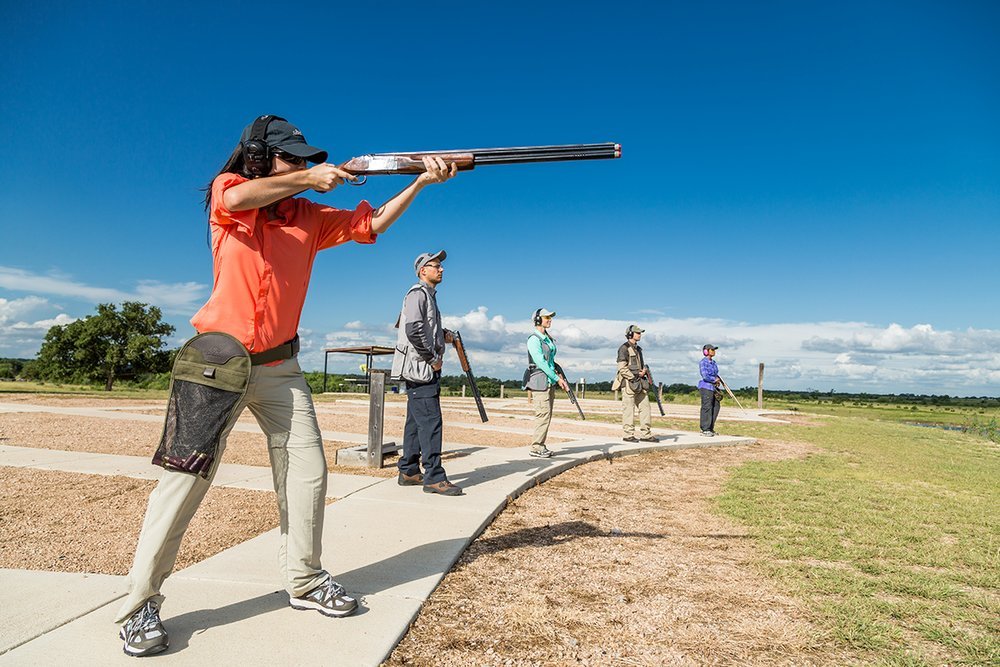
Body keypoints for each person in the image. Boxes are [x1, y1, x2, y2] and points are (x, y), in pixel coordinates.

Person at [115, 115, 457, 657]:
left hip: (282, 367)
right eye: (290, 158)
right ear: (258, 158)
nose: (301, 165)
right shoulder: (232, 193)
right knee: (181, 485)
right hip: (217, 362)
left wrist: (419, 182)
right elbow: (243, 195)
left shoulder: (309, 216)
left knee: (309, 474)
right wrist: (309, 177)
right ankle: (140, 604)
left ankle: (304, 580)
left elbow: (372, 226)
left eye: (304, 159)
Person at [391, 250, 463, 497]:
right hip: (422, 369)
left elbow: (425, 327)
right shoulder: (417, 294)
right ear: (423, 271)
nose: (441, 269)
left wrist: (444, 335)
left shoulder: (428, 297)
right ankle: (434, 477)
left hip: (418, 370)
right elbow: (413, 329)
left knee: (415, 421)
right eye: (436, 266)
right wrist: (433, 359)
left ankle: (409, 470)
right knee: (431, 423)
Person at [522, 308, 571, 458]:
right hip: (539, 381)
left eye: (550, 317)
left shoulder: (547, 338)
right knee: (542, 414)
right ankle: (536, 447)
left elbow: (550, 362)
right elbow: (541, 363)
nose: (549, 319)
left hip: (548, 381)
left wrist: (558, 373)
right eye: (546, 317)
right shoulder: (534, 339)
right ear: (538, 320)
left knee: (546, 415)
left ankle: (540, 445)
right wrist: (558, 379)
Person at [612, 325, 656, 442]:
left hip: (640, 383)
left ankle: (646, 434)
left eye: (640, 333)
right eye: (637, 333)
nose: (639, 334)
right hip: (628, 383)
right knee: (628, 409)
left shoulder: (639, 349)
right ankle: (628, 434)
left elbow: (639, 366)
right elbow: (622, 368)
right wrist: (635, 375)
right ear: (630, 334)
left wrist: (643, 372)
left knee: (645, 407)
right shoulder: (624, 348)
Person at [698, 344, 722, 436]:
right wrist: (714, 379)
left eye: (714, 350)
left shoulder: (714, 362)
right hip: (706, 387)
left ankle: (710, 428)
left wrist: (717, 380)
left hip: (714, 387)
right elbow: (705, 376)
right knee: (707, 407)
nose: (714, 351)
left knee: (716, 407)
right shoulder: (703, 362)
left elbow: (716, 374)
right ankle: (705, 429)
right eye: (712, 350)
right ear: (706, 351)